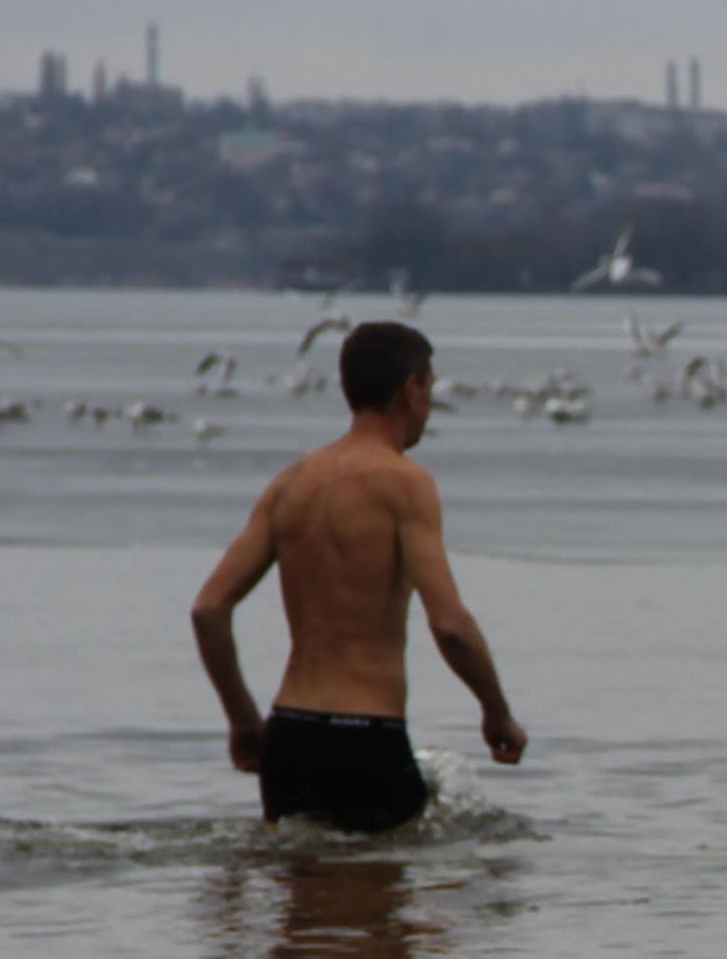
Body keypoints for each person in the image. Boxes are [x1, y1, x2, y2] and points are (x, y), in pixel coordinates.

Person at [191, 320, 526, 833]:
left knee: (303, 906)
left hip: (289, 736)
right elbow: (451, 625)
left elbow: (209, 609)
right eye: (430, 388)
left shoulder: (290, 484)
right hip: (365, 734)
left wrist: (242, 721)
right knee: (386, 906)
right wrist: (496, 712)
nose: (430, 403)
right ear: (410, 389)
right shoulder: (405, 484)